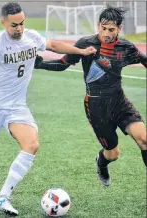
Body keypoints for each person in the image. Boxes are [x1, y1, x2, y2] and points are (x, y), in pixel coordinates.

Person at [0, 2, 96, 216]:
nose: (19, 28)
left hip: (16, 107)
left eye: (22, 23)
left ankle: (2, 197)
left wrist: (81, 51)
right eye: (14, 25)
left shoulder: (32, 37)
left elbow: (54, 44)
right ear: (3, 23)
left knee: (32, 144)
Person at [34, 5, 147, 186]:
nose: (106, 33)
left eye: (111, 29)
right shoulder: (86, 44)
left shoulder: (126, 47)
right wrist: (40, 64)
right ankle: (101, 163)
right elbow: (63, 63)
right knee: (113, 153)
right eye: (103, 28)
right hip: (96, 107)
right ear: (98, 26)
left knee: (144, 140)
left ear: (119, 28)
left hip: (119, 102)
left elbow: (144, 60)